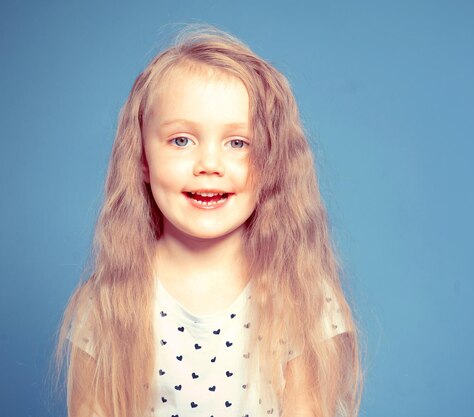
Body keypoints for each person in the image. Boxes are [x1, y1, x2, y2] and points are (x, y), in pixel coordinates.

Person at [56, 26, 362, 417]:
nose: (209, 165)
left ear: (272, 164)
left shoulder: (304, 299)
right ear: (142, 159)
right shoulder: (106, 304)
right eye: (182, 140)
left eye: (238, 143)